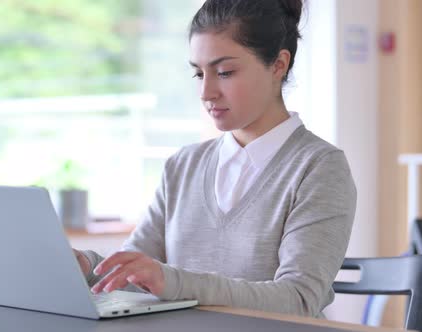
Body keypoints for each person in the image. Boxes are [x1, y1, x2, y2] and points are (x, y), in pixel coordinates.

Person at [74, 0, 356, 318]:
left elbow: (300, 299)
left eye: (224, 72)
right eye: (198, 74)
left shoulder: (319, 167)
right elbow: (132, 270)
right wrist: (85, 265)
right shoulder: (183, 166)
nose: (206, 92)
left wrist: (172, 281)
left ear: (278, 64)